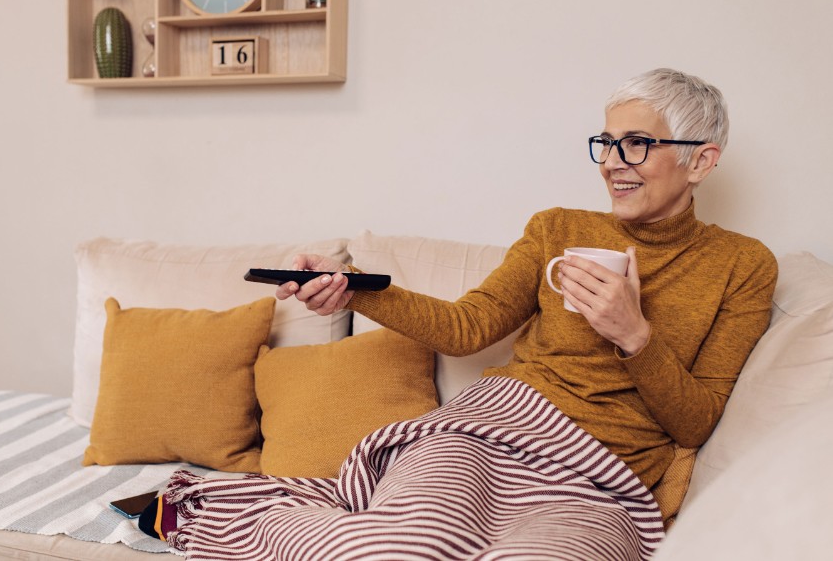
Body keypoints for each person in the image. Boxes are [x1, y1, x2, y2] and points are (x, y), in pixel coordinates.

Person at [275, 68, 778, 512]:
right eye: (606, 143)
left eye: (637, 143)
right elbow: (466, 328)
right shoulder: (555, 229)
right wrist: (353, 287)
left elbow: (696, 424)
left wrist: (634, 335)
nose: (611, 163)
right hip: (494, 427)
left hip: (600, 472)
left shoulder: (743, 265)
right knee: (410, 531)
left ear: (700, 162)